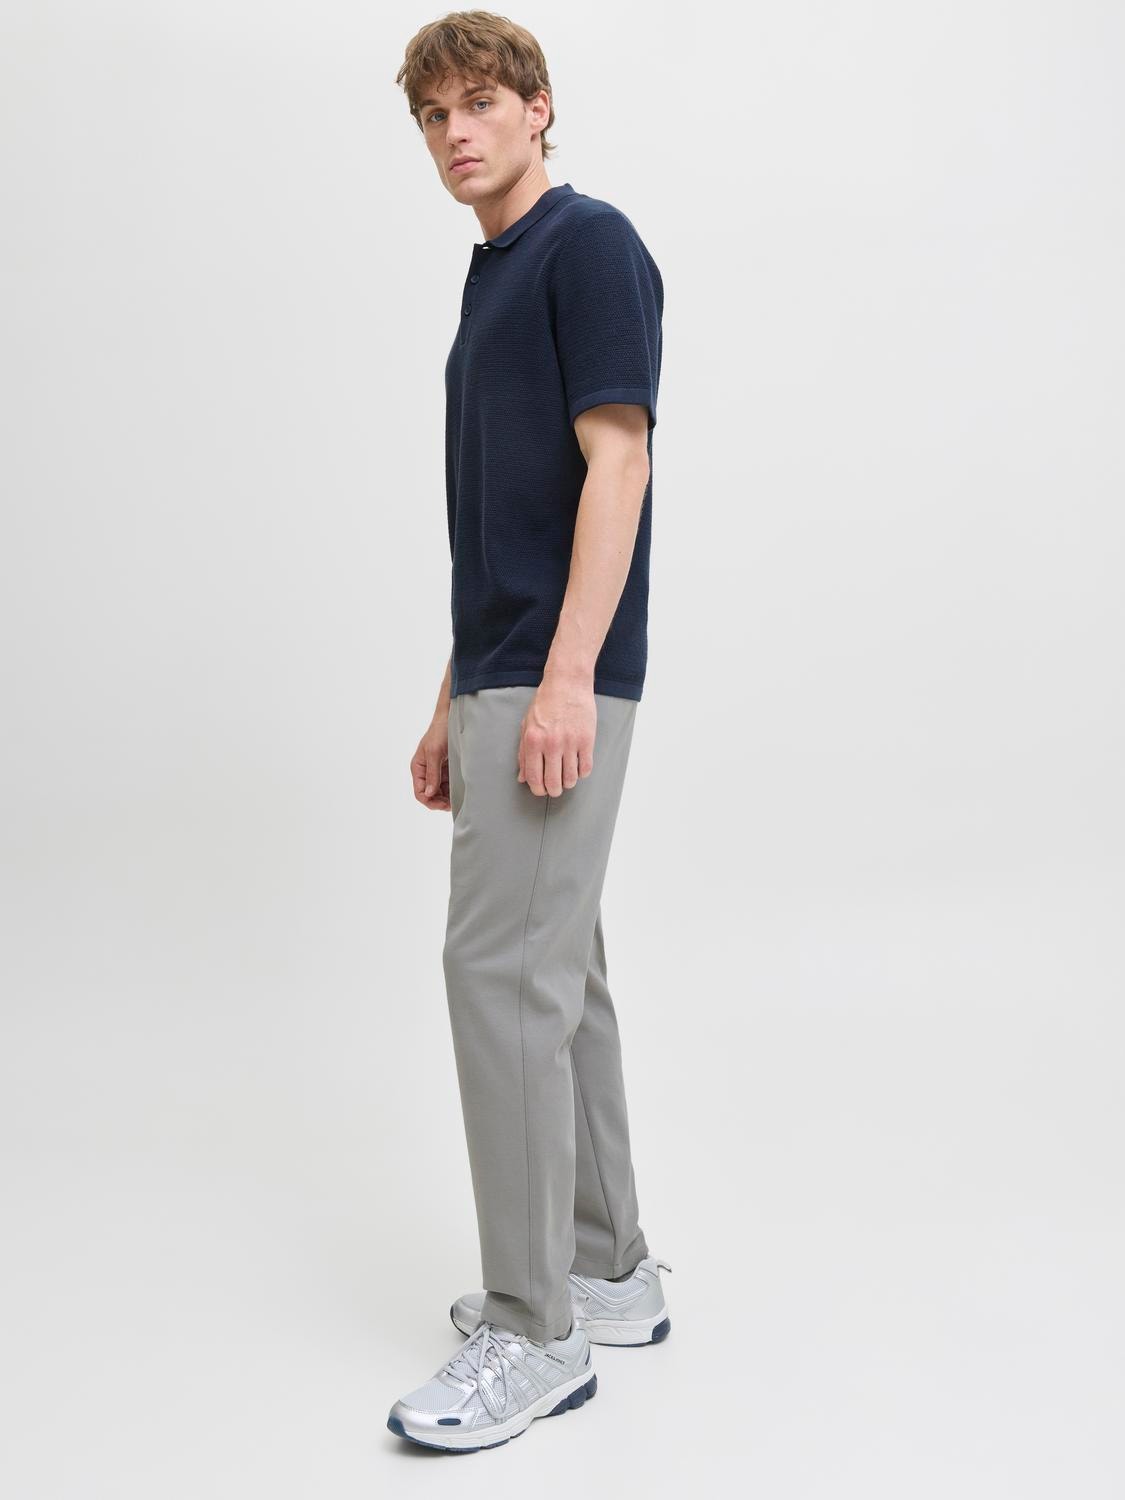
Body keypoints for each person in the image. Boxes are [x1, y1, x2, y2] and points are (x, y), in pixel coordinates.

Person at [388, 11, 671, 1452]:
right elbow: (500, 519)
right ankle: (605, 1270)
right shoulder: (492, 273)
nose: (457, 133)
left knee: (496, 977)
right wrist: (455, 695)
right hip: (501, 667)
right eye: (434, 115)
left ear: (539, 106)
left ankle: (531, 1328)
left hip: (557, 673)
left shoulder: (586, 245)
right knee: (561, 973)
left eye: (481, 103)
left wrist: (564, 680)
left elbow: (616, 465)